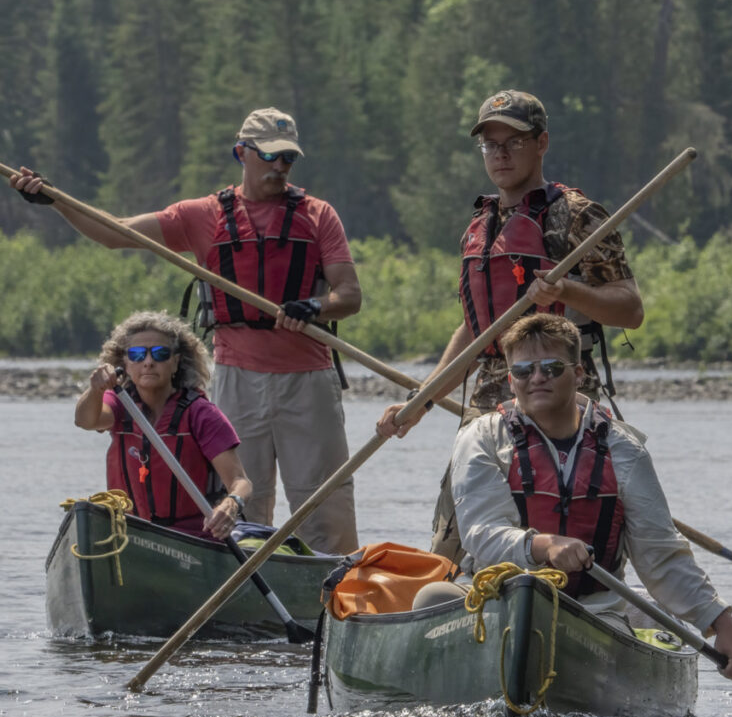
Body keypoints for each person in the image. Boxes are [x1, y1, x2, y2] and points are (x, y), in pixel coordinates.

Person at [11, 107, 361, 554]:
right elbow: (114, 233)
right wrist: (55, 199)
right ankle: (246, 602)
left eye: (288, 159)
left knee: (324, 507)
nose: (279, 167)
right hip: (238, 379)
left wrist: (313, 306)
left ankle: (331, 598)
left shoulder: (318, 215)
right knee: (241, 509)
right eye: (270, 156)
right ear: (242, 153)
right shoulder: (203, 215)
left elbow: (348, 295)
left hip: (308, 381)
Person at [410, 312, 732, 683]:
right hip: (496, 598)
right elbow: (480, 530)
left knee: (636, 623)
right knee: (430, 599)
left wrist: (720, 622)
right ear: (511, 381)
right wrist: (544, 546)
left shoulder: (624, 449)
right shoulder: (481, 436)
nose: (536, 378)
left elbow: (660, 553)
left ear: (579, 374)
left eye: (552, 368)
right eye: (523, 371)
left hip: (591, 610)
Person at [377, 89, 644, 560]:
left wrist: (567, 291)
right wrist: (422, 400)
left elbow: (630, 309)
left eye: (513, 142)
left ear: (541, 142)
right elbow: (476, 328)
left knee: (567, 521)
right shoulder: (480, 224)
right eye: (490, 145)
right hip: (489, 398)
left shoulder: (580, 216)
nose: (500, 154)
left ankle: (582, 603)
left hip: (559, 394)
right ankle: (463, 605)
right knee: (459, 535)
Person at [75, 310, 251, 541]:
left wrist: (231, 503)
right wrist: (96, 389)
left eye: (160, 353)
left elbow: (241, 482)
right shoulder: (119, 403)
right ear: (125, 364)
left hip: (191, 537)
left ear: (175, 362)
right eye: (137, 354)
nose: (148, 362)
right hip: (128, 531)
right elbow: (85, 420)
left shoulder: (201, 414)